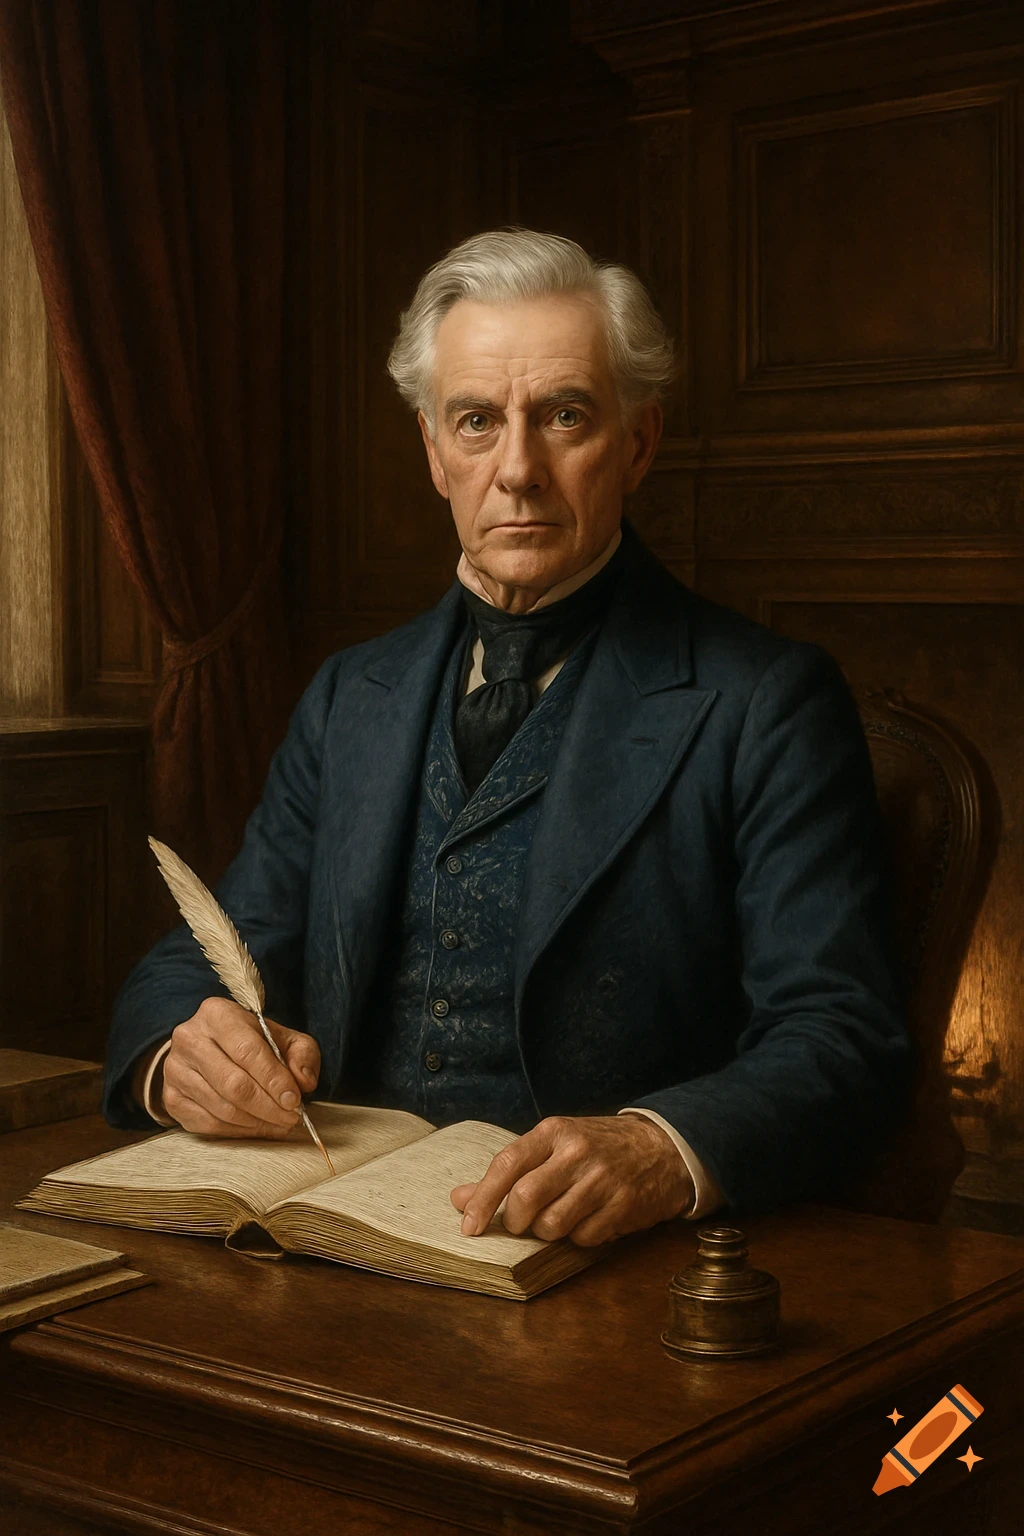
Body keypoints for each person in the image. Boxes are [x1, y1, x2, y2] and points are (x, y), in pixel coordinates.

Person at [104, 228, 910, 1248]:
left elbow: (844, 1038)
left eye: (564, 416)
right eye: (477, 422)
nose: (518, 469)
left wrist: (662, 1147)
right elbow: (201, 961)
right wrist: (181, 1059)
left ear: (637, 442)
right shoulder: (353, 694)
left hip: (605, 1270)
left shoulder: (765, 702)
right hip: (336, 1242)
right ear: (435, 455)